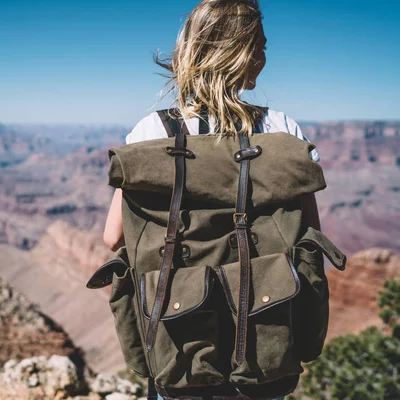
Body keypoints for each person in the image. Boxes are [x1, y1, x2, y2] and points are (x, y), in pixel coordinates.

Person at [103, 1, 321, 398]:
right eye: (260, 46)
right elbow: (309, 233)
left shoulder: (151, 131)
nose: (264, 57)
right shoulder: (281, 131)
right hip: (265, 335)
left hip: (179, 339)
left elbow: (113, 237)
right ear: (238, 52)